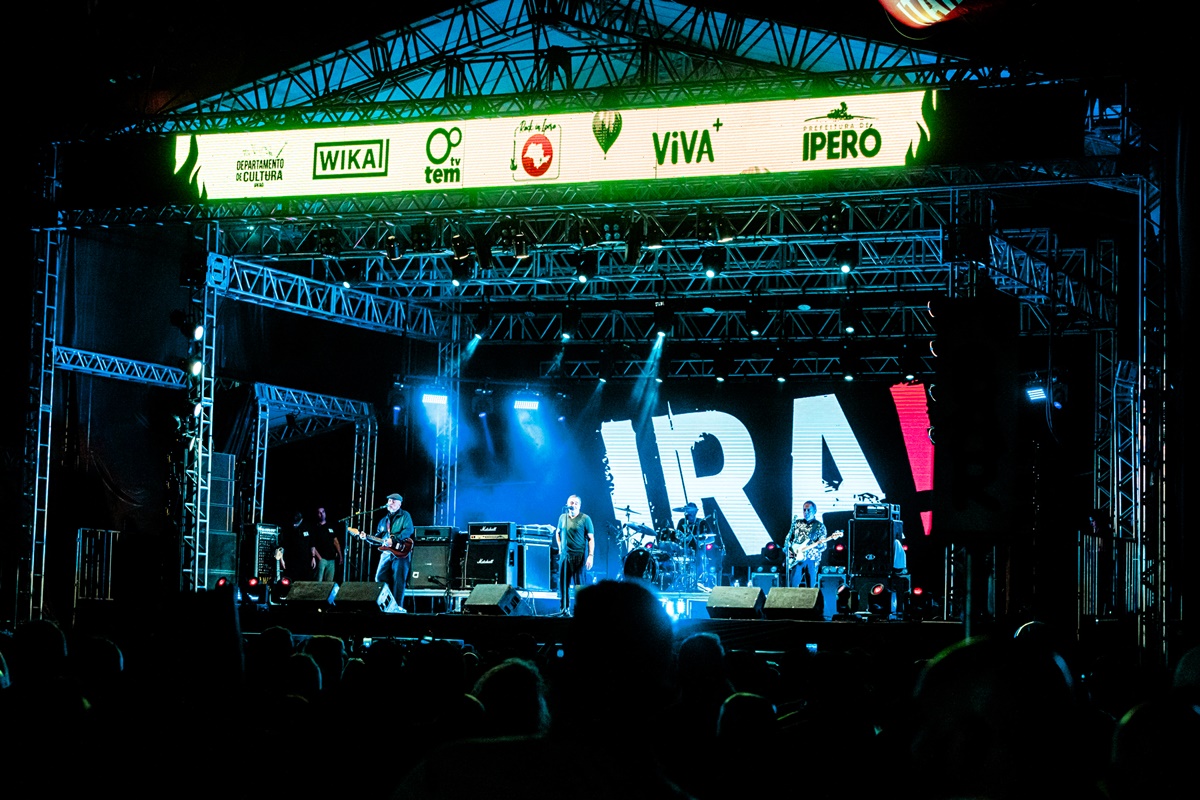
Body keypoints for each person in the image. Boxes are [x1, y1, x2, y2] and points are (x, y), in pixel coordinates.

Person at [358, 493, 414, 612]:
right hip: (386, 553)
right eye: (389, 501)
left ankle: (397, 607)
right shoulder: (384, 520)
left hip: (400, 552)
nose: (390, 503)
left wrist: (393, 540)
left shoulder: (405, 516)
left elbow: (409, 530)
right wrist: (366, 537)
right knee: (379, 577)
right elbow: (378, 539)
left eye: (393, 501)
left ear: (400, 503)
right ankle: (386, 605)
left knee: (398, 580)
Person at [554, 494, 594, 616]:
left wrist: (590, 555)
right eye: (572, 503)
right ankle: (564, 609)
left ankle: (580, 611)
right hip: (565, 556)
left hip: (579, 557)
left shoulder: (585, 519)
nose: (574, 505)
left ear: (580, 505)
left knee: (579, 586)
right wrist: (560, 547)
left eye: (576, 503)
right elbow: (558, 532)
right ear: (567, 504)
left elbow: (591, 538)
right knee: (563, 584)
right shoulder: (562, 517)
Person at [785, 500, 827, 588]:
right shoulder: (797, 523)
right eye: (804, 510)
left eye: (809, 510)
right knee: (792, 586)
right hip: (797, 560)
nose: (806, 512)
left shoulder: (819, 526)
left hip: (811, 559)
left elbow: (823, 546)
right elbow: (789, 539)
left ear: (815, 511)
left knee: (810, 588)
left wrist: (817, 545)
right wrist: (789, 550)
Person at [310, 506, 343, 583]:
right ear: (317, 514)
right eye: (319, 512)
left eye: (323, 512)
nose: (321, 514)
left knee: (329, 582)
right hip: (322, 558)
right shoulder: (315, 527)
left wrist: (340, 555)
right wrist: (319, 558)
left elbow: (336, 541)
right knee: (319, 581)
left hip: (331, 559)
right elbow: (312, 545)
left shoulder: (331, 526)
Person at [280, 511, 314, 581]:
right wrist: (281, 559)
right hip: (292, 561)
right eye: (294, 523)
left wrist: (313, 557)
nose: (294, 525)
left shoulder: (307, 528)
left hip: (305, 561)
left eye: (296, 523)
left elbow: (312, 544)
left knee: (305, 580)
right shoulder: (288, 530)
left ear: (301, 520)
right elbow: (281, 546)